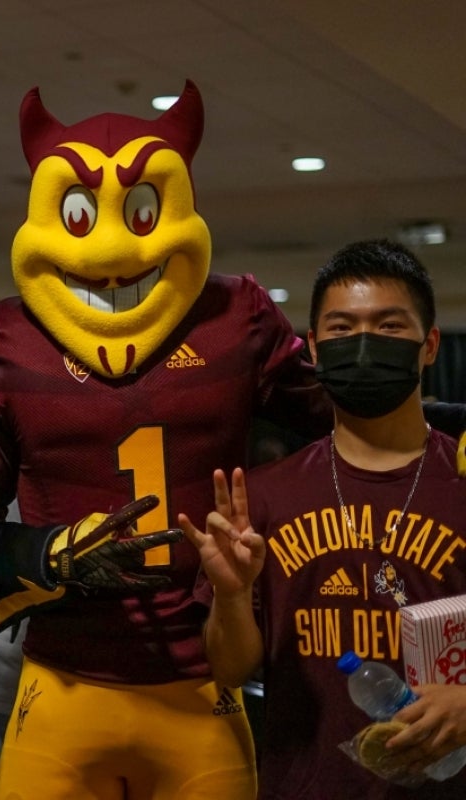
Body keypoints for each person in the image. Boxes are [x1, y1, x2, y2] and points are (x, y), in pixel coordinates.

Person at [0, 80, 331, 799]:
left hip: (201, 683)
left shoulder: (236, 315)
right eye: (84, 212)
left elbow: (354, 434)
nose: (117, 246)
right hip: (62, 679)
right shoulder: (0, 337)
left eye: (141, 211)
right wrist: (43, 552)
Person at [182, 238, 466, 799]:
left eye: (389, 327)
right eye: (341, 329)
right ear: (313, 347)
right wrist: (233, 595)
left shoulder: (461, 478)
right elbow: (230, 669)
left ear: (429, 345)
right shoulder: (262, 497)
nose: (363, 344)